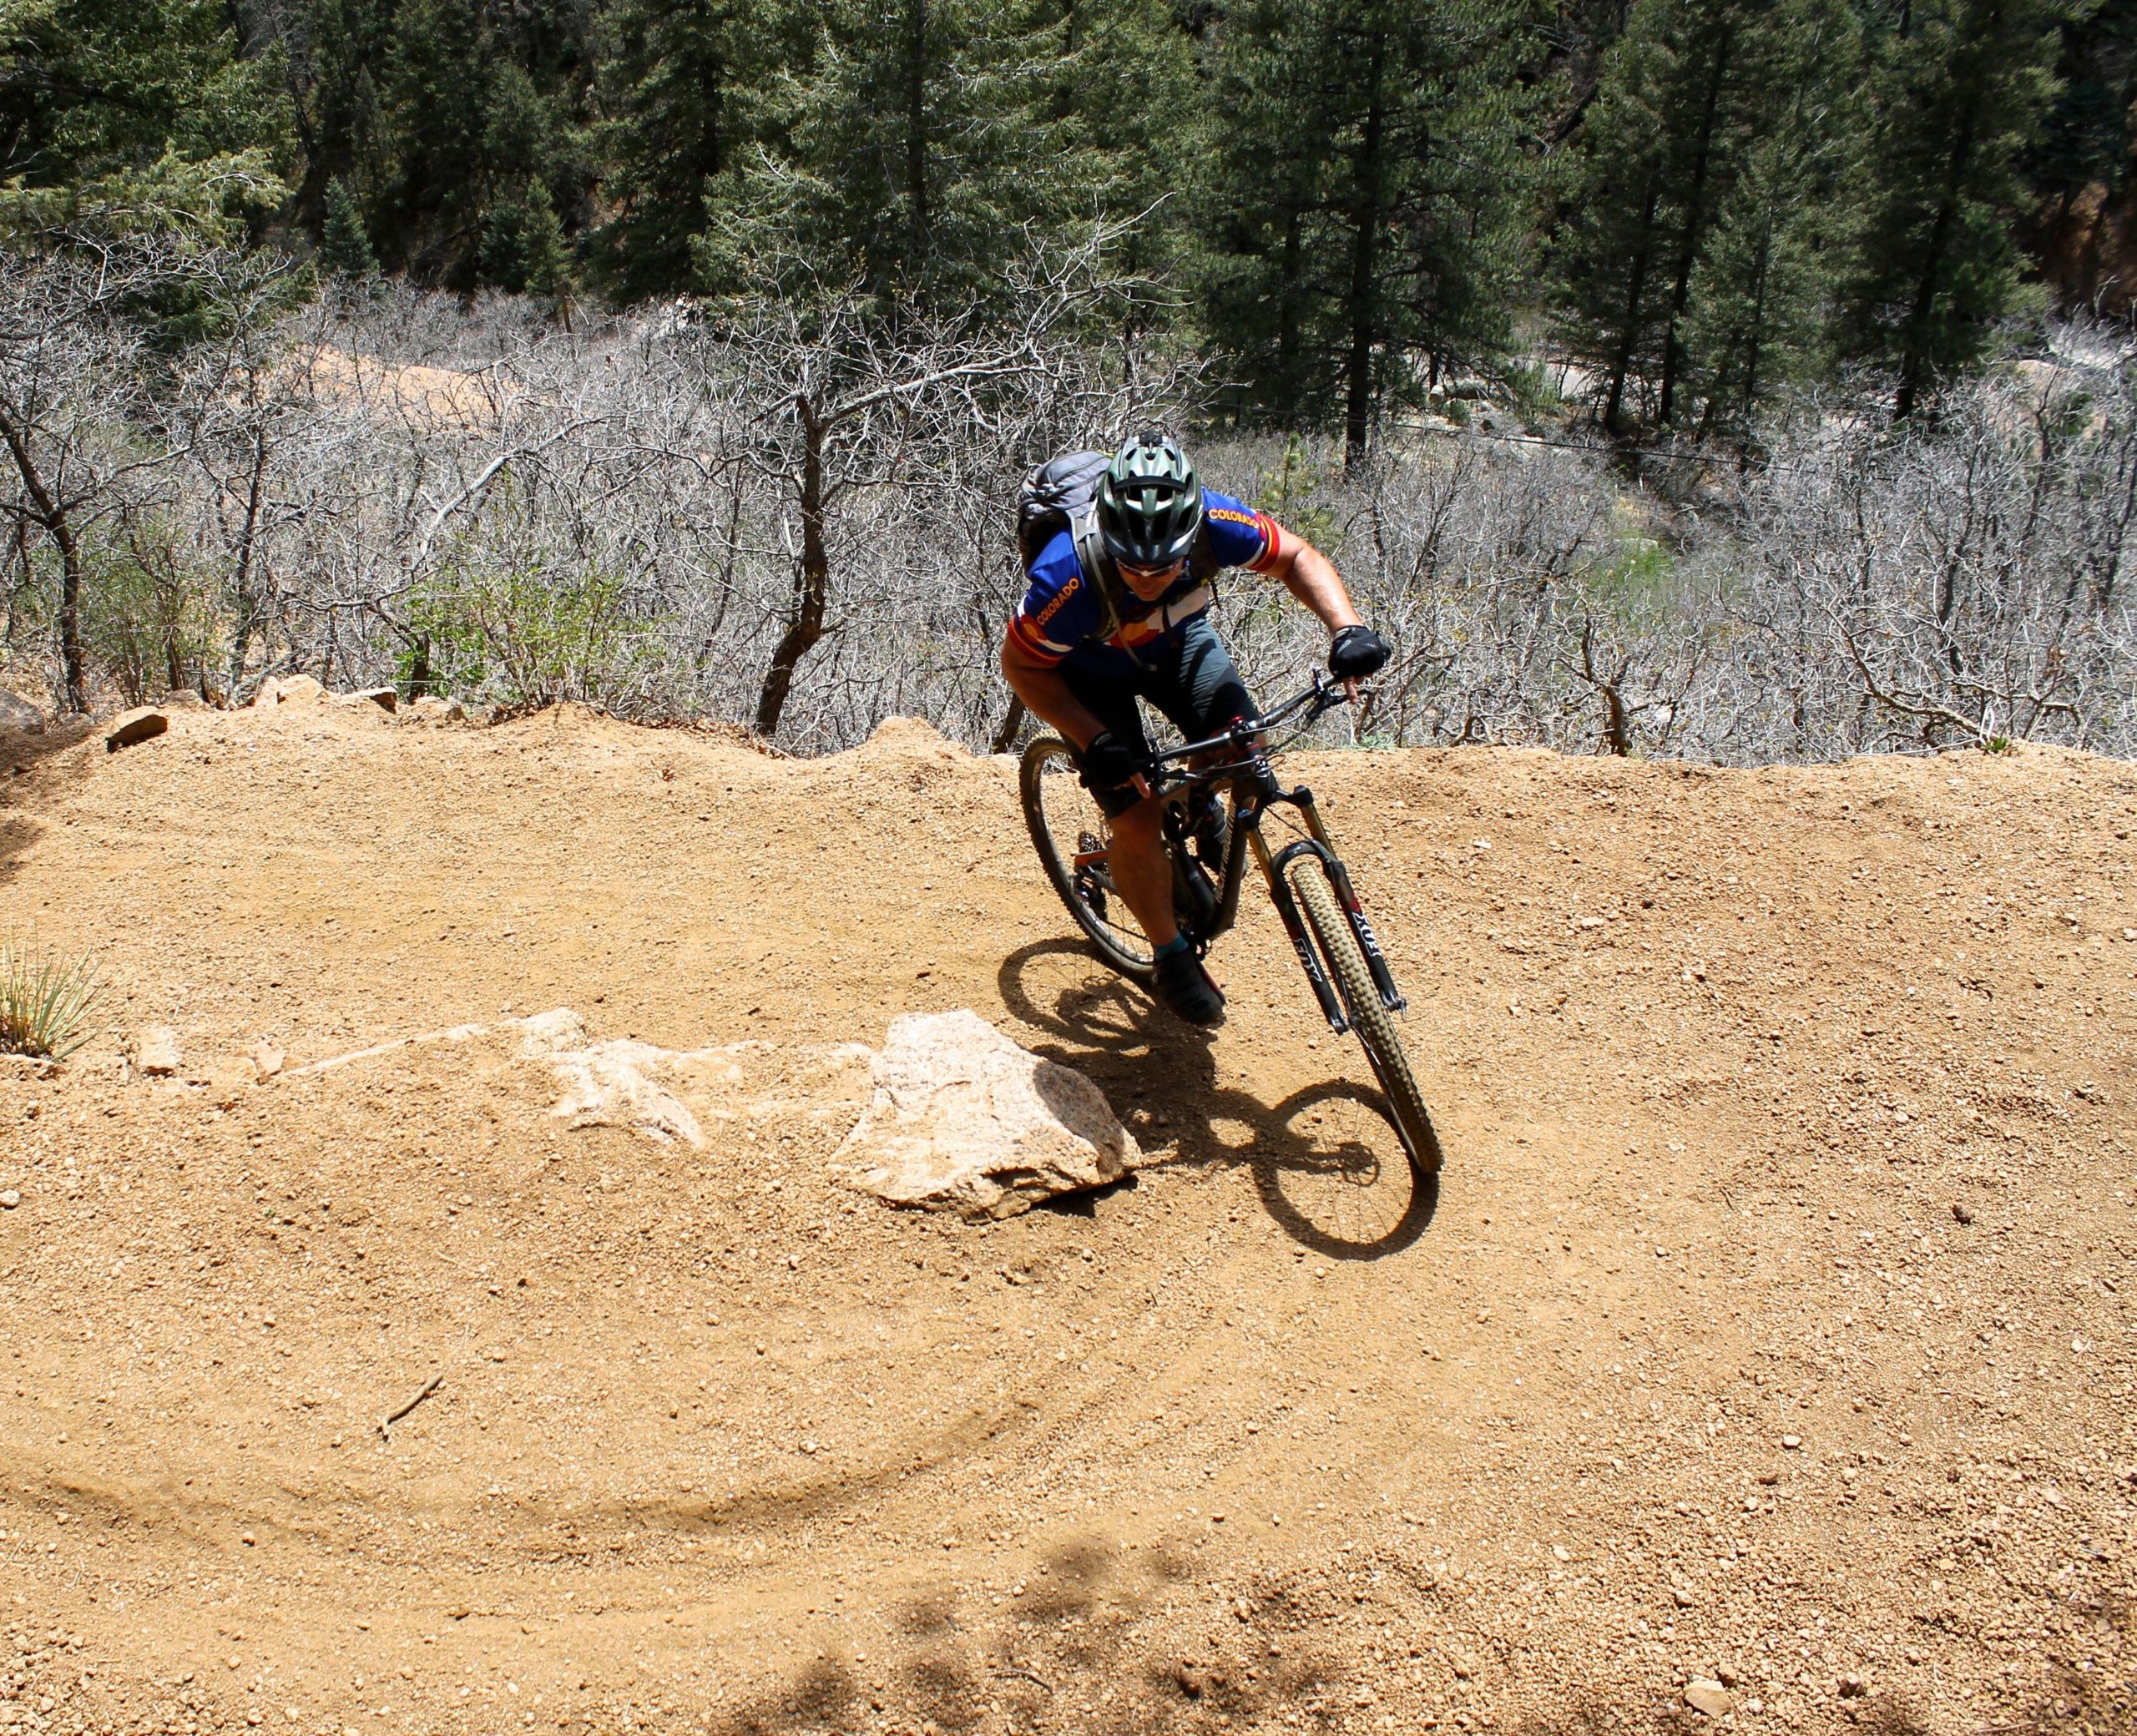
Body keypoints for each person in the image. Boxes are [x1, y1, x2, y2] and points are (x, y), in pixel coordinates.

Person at [1000, 429, 1390, 1026]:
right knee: (1136, 814)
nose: (1148, 577)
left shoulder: (1215, 520)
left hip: (1179, 647)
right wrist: (1094, 741)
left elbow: (1296, 556)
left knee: (1246, 745)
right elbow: (1022, 664)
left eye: (1165, 563)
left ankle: (1203, 802)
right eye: (1131, 563)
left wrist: (1346, 628)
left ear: (1191, 535)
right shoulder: (1067, 575)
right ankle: (1170, 952)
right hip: (1089, 676)